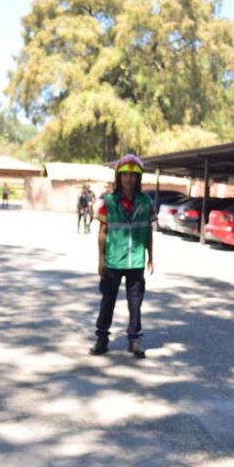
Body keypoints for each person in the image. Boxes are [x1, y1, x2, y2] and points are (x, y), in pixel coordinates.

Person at [89, 154, 156, 359]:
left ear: (138, 179)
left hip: (135, 261)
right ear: (119, 177)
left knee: (135, 304)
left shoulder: (146, 202)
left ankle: (134, 339)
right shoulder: (108, 202)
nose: (129, 180)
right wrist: (100, 260)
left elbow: (148, 231)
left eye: (133, 176)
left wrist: (150, 256)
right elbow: (102, 233)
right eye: (125, 175)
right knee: (107, 301)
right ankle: (102, 338)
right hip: (113, 260)